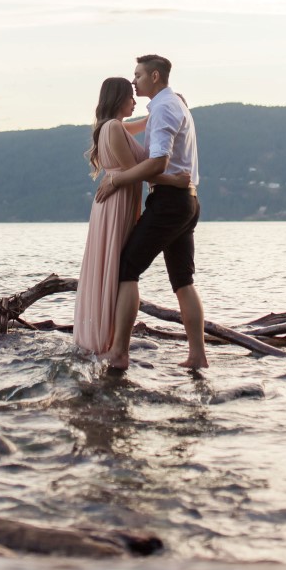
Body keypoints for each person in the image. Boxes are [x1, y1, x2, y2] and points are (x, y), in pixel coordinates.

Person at [95, 54, 208, 371]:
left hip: (171, 202)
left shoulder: (163, 108)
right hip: (186, 201)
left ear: (155, 76)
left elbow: (159, 161)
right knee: (183, 280)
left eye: (139, 75)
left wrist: (117, 178)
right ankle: (197, 356)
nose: (134, 81)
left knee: (128, 268)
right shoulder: (172, 105)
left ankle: (118, 352)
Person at [73, 76, 188, 356]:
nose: (134, 101)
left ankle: (109, 336)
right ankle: (107, 341)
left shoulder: (115, 127)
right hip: (117, 201)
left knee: (115, 266)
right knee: (119, 268)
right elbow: (133, 171)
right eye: (130, 96)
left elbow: (147, 124)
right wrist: (172, 181)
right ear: (118, 98)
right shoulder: (113, 127)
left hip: (119, 199)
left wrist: (175, 106)